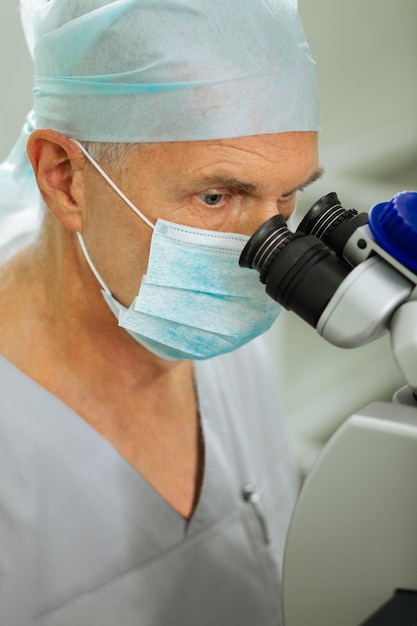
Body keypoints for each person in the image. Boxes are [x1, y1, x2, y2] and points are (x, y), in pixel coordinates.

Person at [0, 1, 321, 624]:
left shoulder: (220, 322)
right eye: (216, 195)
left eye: (288, 194)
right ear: (64, 178)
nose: (268, 249)